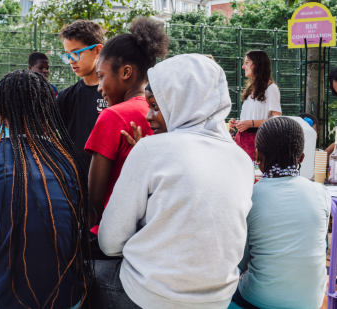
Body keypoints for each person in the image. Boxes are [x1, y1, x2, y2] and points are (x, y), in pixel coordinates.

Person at [94, 54, 254, 309]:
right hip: (218, 300)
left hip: (148, 295)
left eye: (156, 106)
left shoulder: (150, 149)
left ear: (183, 103)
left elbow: (110, 242)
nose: (148, 116)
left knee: (73, 272)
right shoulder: (242, 160)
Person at [0, 70, 91, 309]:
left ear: (0, 111)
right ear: (47, 112)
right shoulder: (67, 158)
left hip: (3, 300)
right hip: (68, 298)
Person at [232, 117, 330, 309]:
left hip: (258, 300)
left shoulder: (251, 196)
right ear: (301, 157)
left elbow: (239, 261)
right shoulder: (321, 193)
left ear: (257, 155)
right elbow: (321, 247)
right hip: (311, 302)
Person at [86, 18, 169, 234]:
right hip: (157, 231)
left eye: (101, 76)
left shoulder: (112, 117)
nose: (99, 87)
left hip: (114, 238)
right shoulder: (169, 114)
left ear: (125, 72)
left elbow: (94, 205)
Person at [56, 20, 107, 176]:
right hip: (73, 185)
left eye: (76, 53)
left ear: (97, 50)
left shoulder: (116, 95)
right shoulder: (65, 97)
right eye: (67, 55)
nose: (71, 60)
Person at [230, 50, 282, 161]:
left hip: (258, 140)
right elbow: (252, 116)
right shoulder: (251, 88)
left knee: (254, 175)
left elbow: (277, 120)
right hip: (241, 138)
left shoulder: (272, 89)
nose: (243, 66)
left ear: (257, 64)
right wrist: (239, 123)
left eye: (247, 62)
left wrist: (251, 123)